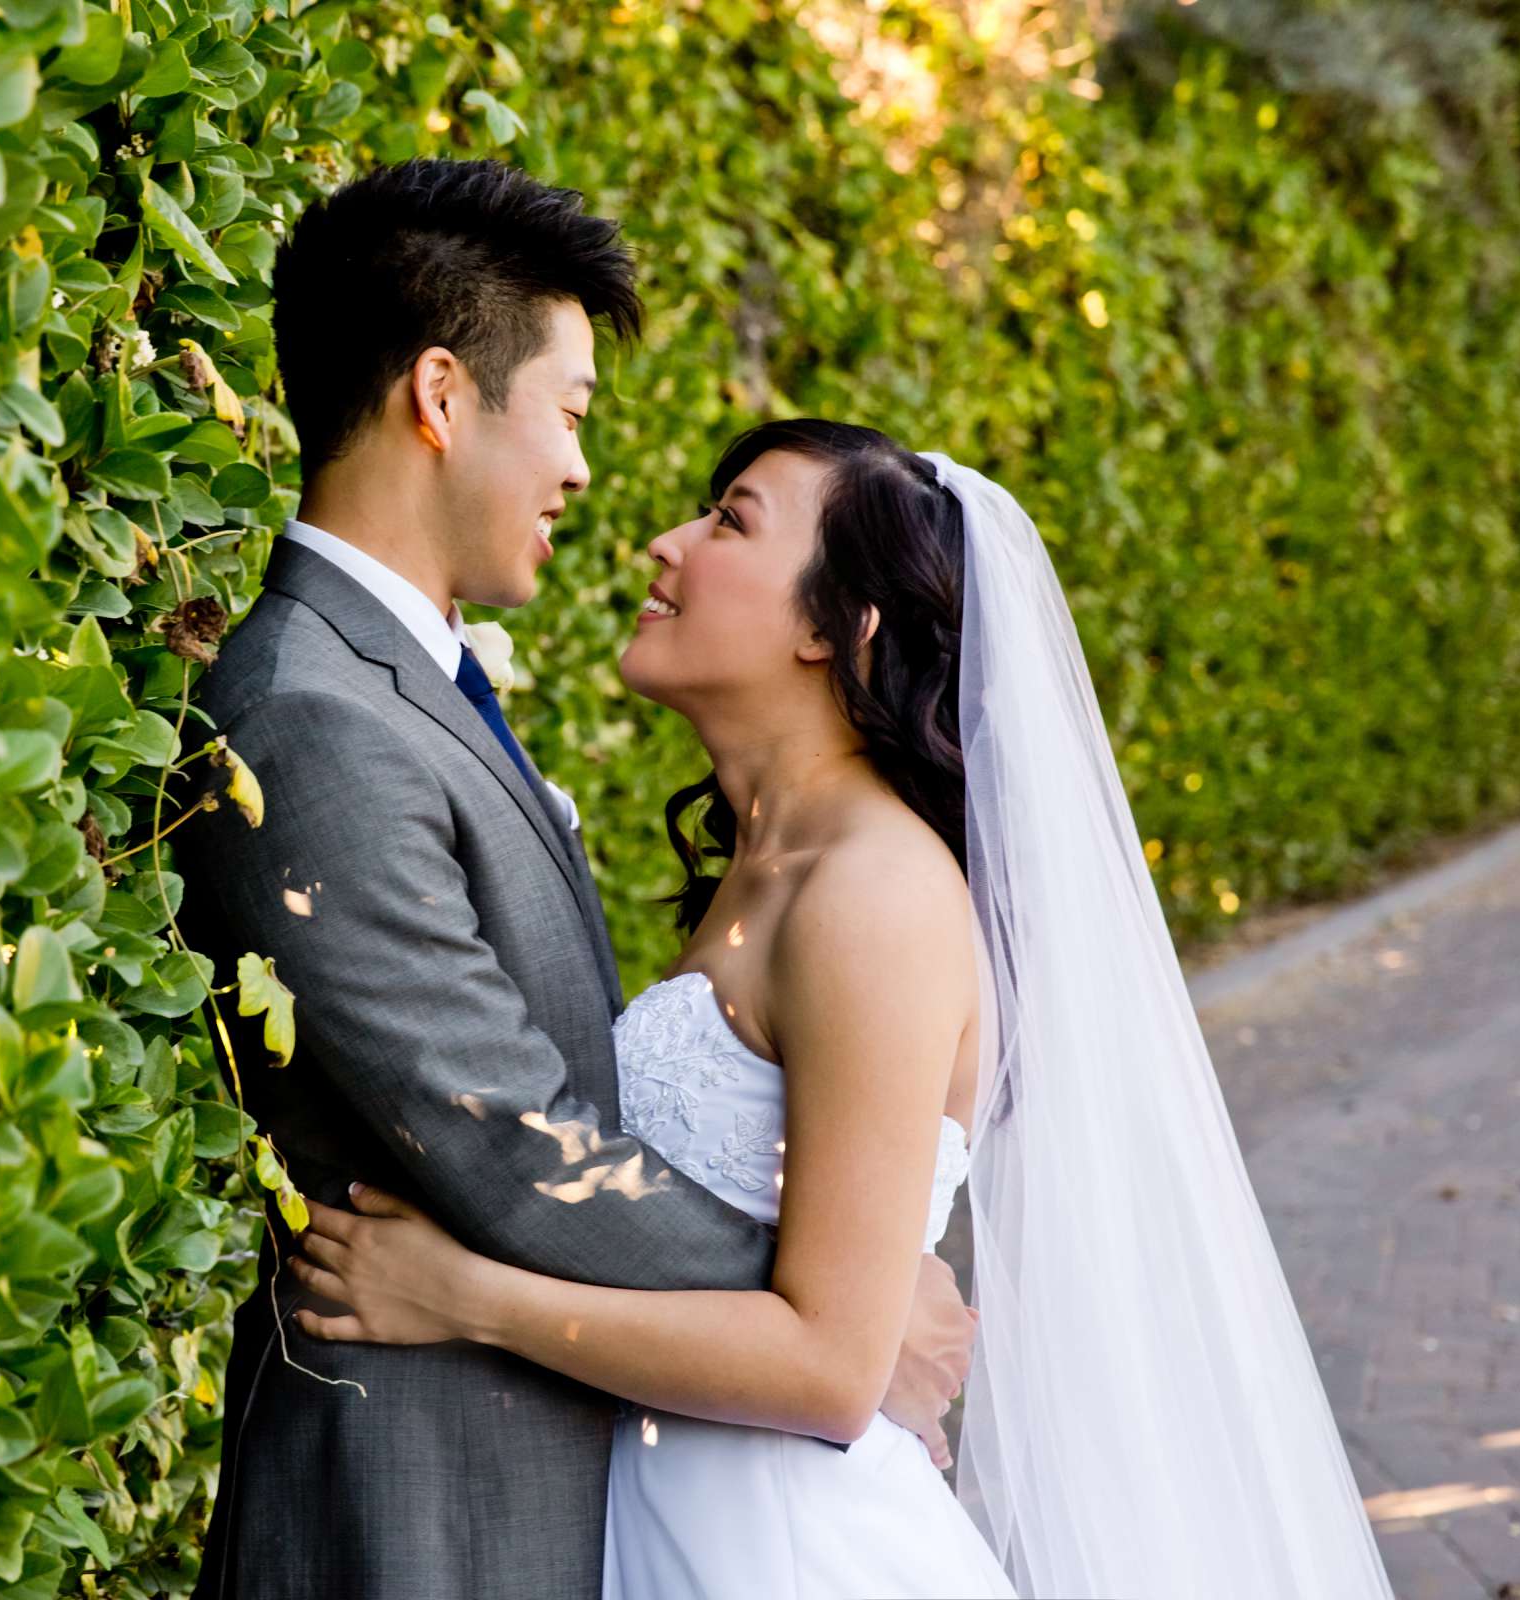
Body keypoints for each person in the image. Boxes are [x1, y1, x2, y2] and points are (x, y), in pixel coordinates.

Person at [291, 421, 1397, 1598]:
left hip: (782, 1547)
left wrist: (467, 1300)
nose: (665, 545)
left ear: (837, 625)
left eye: (731, 520)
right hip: (671, 1514)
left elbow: (829, 1366)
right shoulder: (771, 866)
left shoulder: (873, 892)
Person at [172, 169, 976, 1600]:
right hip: (411, 1499)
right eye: (573, 410)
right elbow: (507, 1139)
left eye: (730, 521)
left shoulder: (420, 686)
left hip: (612, 1486)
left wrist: (829, 1316)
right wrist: (836, 1303)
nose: (592, 477)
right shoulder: (313, 712)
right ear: (440, 395)